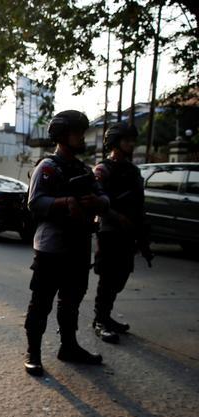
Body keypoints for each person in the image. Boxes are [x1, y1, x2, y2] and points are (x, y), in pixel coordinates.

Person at [23, 110, 109, 376]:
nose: (82, 137)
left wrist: (96, 202)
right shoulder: (47, 168)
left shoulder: (84, 170)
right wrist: (64, 202)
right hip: (52, 248)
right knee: (42, 302)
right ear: (62, 135)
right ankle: (33, 353)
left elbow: (104, 199)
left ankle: (69, 346)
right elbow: (34, 202)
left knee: (72, 301)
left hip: (79, 245)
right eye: (77, 133)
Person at [92, 123, 152, 343]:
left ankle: (106, 315)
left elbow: (139, 203)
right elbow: (97, 201)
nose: (131, 144)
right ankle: (100, 320)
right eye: (127, 140)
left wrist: (143, 235)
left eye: (131, 140)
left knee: (121, 276)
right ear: (116, 142)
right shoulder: (103, 169)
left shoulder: (133, 170)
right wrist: (118, 218)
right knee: (108, 277)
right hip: (109, 231)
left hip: (129, 233)